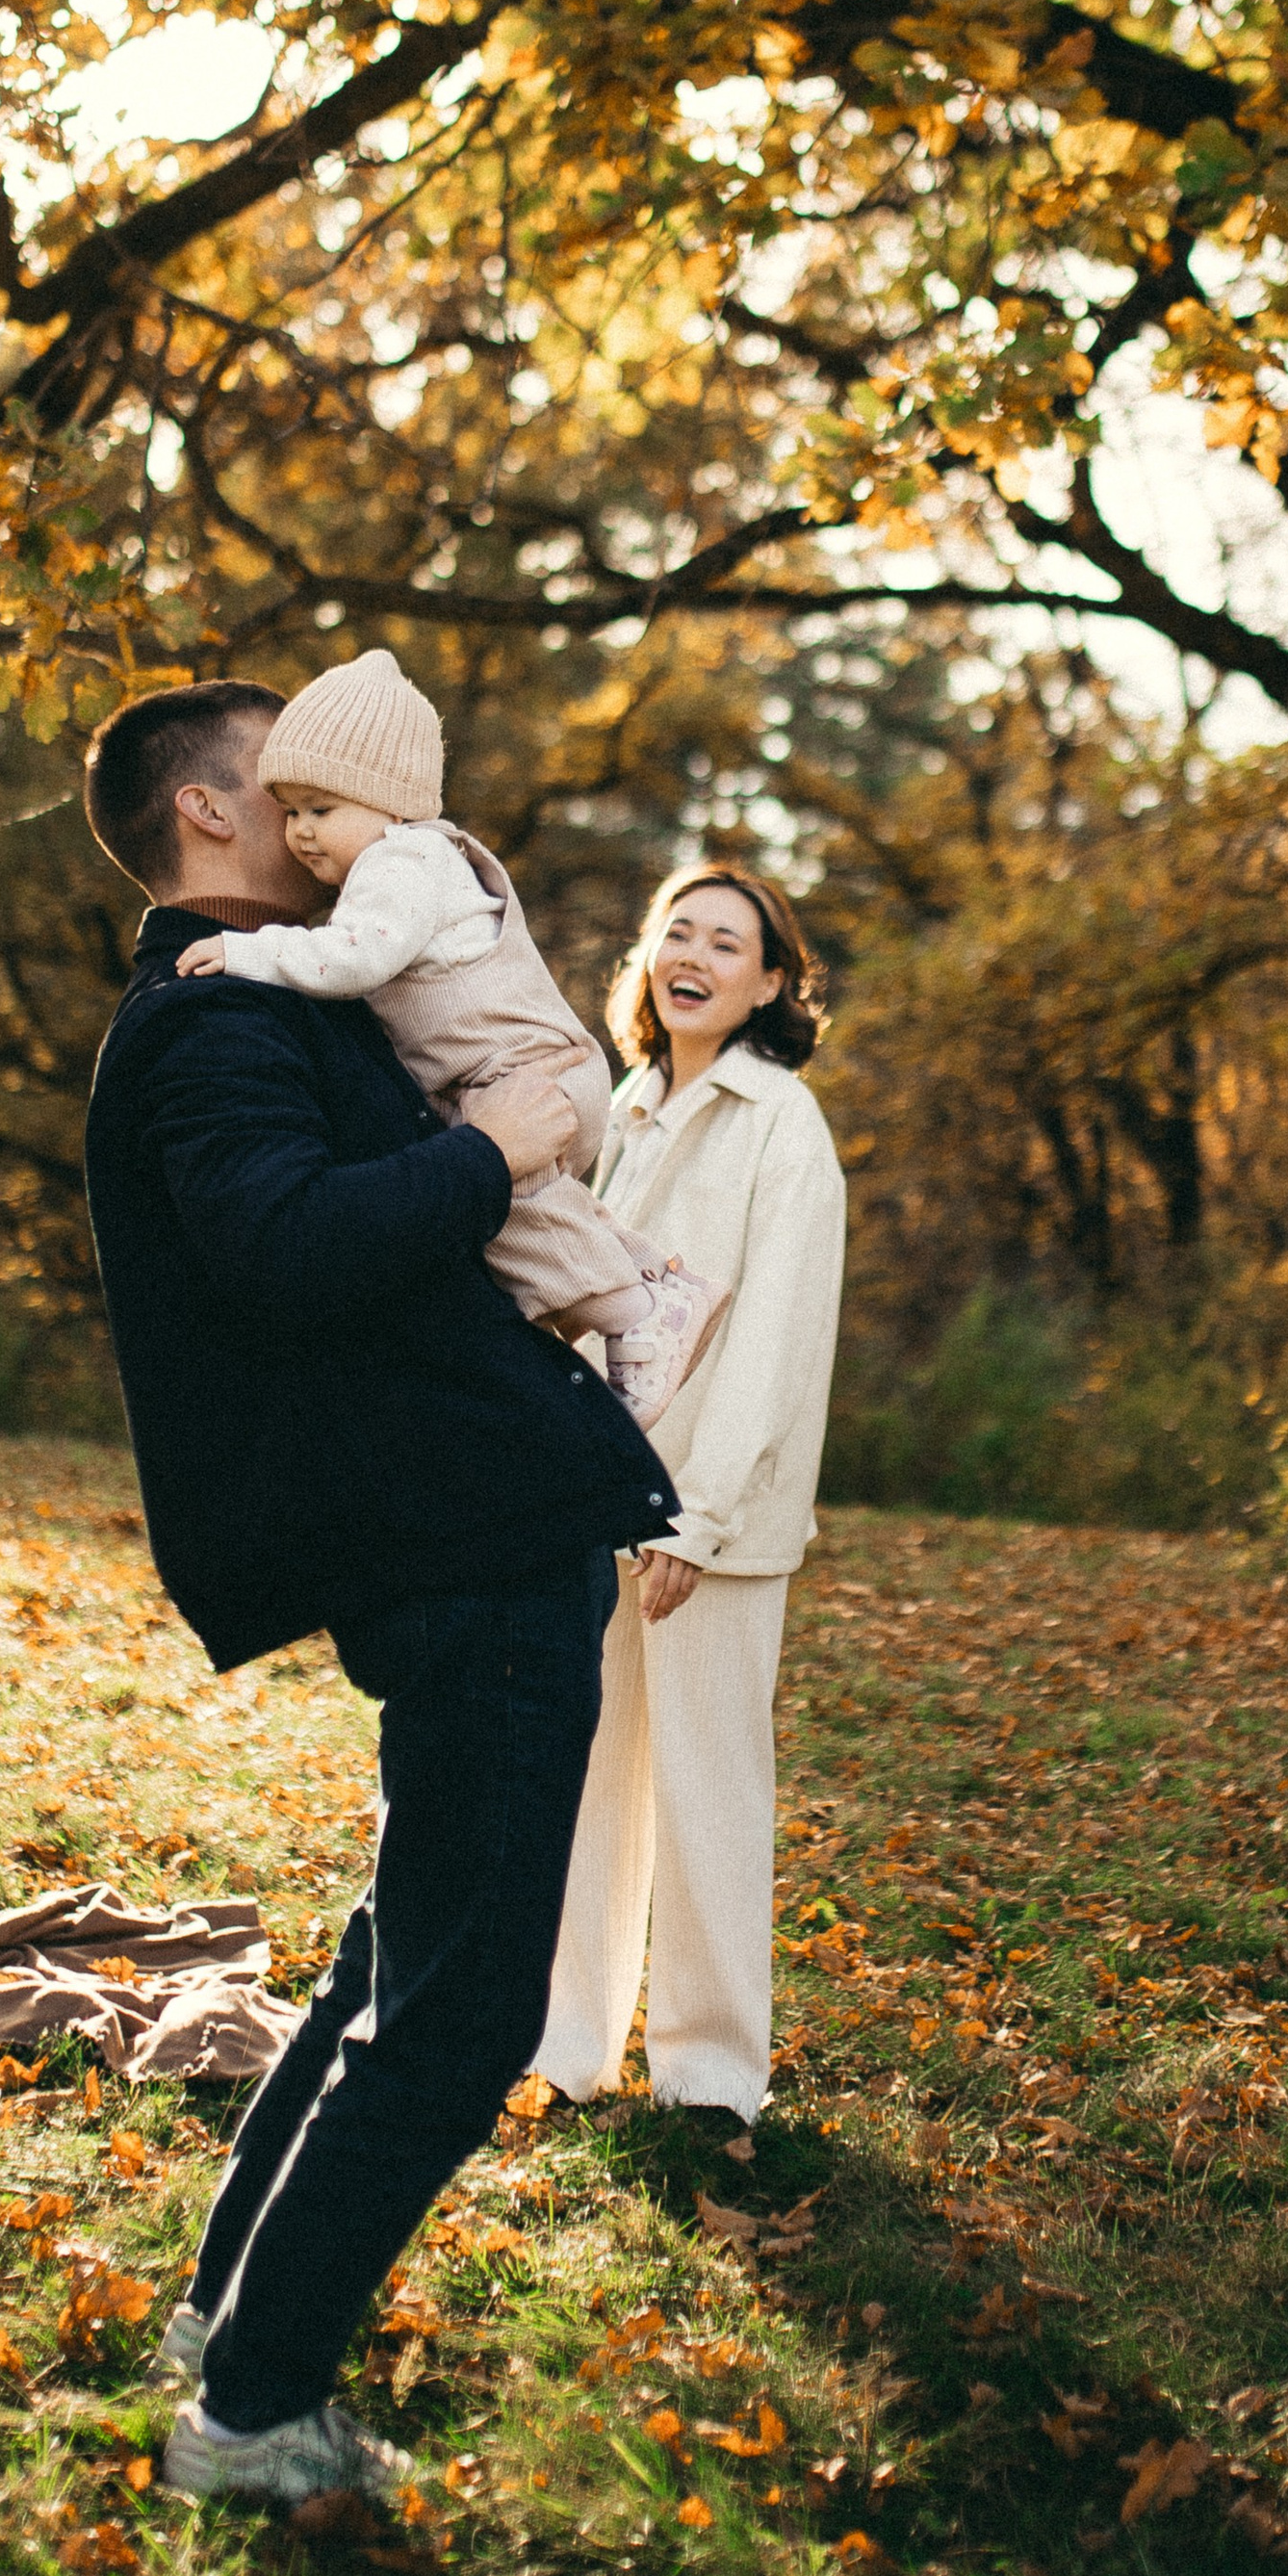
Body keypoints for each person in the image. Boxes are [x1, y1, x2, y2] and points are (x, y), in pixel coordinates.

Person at [78, 678, 682, 2506]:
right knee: (467, 2007)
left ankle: (224, 2324)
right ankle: (253, 2418)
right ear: (208, 813)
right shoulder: (211, 1025)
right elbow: (285, 1248)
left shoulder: (305, 995)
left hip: (480, 1524)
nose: (328, 812)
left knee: (395, 1957)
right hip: (464, 1543)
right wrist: (506, 1147)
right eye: (286, 784)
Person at [175, 649, 725, 1426]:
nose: (299, 833)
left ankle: (634, 1319)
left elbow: (356, 959)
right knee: (527, 1208)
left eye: (320, 809)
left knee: (509, 1195)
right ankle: (649, 1275)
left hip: (520, 1074)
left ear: (391, 802)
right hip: (524, 1070)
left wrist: (249, 952)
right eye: (290, 811)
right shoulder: (407, 863)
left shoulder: (401, 864)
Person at [532, 865, 847, 2132]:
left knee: (710, 1793)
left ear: (770, 984)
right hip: (594, 1499)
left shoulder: (782, 1123)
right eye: (679, 933)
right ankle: (567, 2049)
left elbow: (774, 1343)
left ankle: (711, 2079)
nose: (695, 957)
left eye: (728, 943)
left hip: (713, 1525)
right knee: (588, 1785)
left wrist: (696, 1522)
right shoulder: (623, 1109)